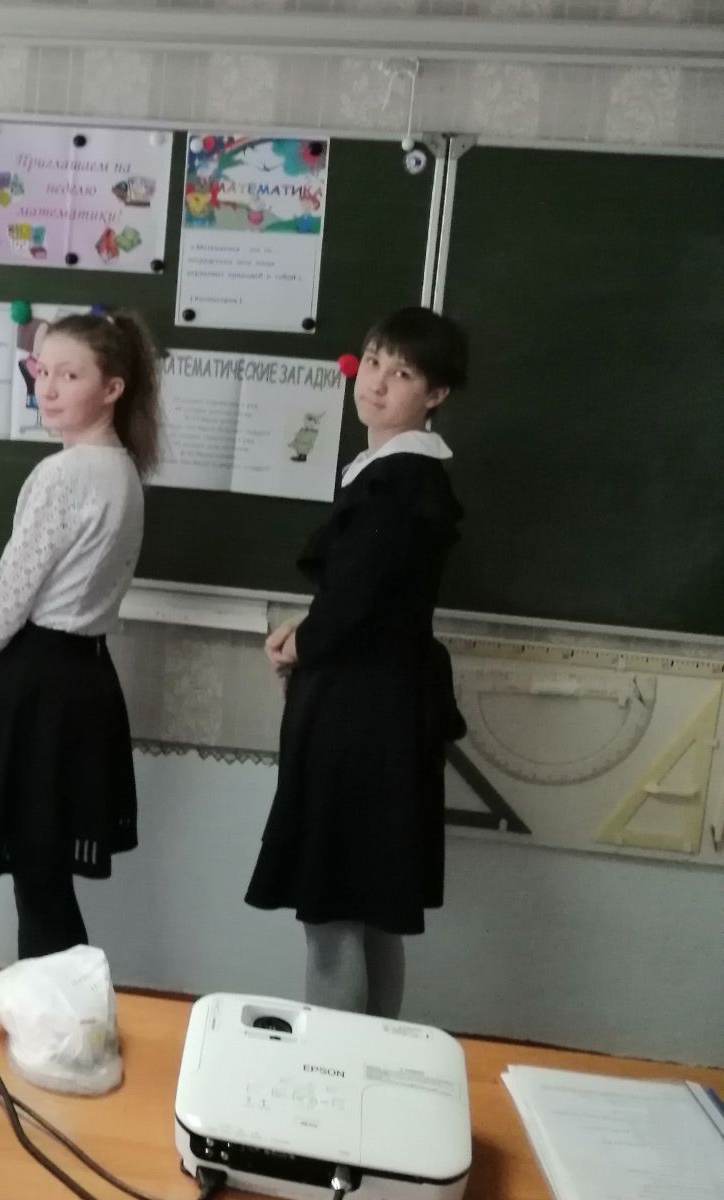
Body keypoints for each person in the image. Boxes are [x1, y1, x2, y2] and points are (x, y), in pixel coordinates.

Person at [245, 306, 470, 1018]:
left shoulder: (397, 480)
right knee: (370, 906)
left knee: (334, 905)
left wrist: (305, 640)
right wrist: (307, 629)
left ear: (434, 394)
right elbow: (371, 595)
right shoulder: (399, 475)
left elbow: (358, 600)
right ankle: (371, 1060)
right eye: (373, 361)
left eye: (401, 373)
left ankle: (334, 1069)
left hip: (359, 719)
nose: (376, 381)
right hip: (384, 706)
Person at [0, 311, 161, 959]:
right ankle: (59, 1002)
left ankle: (57, 1005)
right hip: (86, 675)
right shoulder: (123, 470)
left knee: (38, 875)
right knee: (45, 875)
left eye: (69, 375)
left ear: (112, 388)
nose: (48, 388)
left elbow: (16, 587)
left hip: (40, 678)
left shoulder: (65, 474)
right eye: (41, 371)